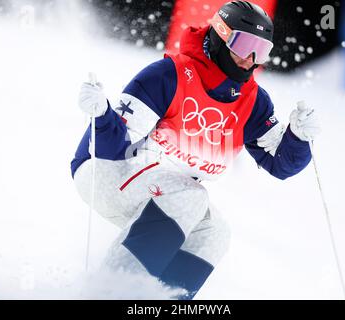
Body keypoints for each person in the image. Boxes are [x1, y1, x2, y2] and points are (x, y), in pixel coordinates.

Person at [71, 1, 320, 299]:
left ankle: (160, 300)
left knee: (213, 233)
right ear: (220, 35)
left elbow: (281, 165)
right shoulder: (169, 75)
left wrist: (299, 138)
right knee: (191, 196)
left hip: (163, 194)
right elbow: (114, 147)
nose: (250, 60)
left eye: (262, 51)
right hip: (104, 168)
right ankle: (110, 294)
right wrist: (101, 116)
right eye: (244, 46)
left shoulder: (252, 102)